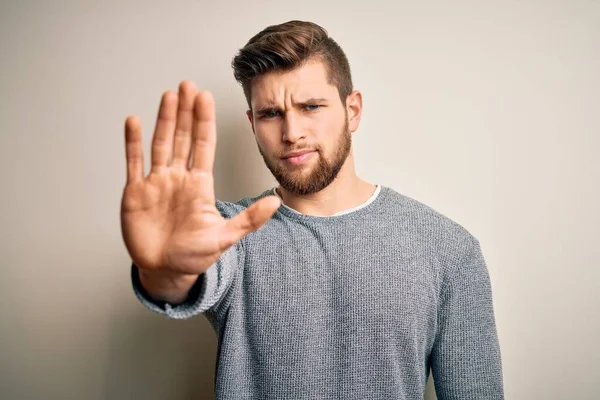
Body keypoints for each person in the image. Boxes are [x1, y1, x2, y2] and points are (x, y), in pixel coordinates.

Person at [121, 20, 504, 400]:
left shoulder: (448, 248)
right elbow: (185, 277)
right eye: (271, 114)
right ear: (252, 124)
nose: (291, 133)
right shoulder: (229, 231)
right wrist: (165, 272)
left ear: (352, 110)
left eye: (310, 107)